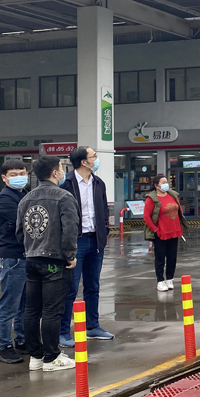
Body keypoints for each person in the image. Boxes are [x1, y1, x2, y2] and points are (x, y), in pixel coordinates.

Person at [16, 156, 79, 372]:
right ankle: (52, 357)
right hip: (55, 261)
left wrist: (31, 248)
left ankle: (36, 356)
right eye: (61, 169)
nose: (62, 172)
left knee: (32, 309)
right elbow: (70, 229)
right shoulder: (64, 197)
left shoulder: (26, 199)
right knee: (53, 310)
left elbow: (19, 232)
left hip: (31, 259)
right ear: (55, 172)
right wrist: (69, 255)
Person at [59, 146, 114, 347]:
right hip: (76, 241)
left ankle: (92, 326)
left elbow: (103, 209)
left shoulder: (98, 183)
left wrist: (105, 230)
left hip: (95, 240)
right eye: (94, 157)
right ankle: (63, 331)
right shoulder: (66, 183)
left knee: (93, 286)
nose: (96, 159)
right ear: (84, 161)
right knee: (70, 288)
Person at [0, 159, 29, 364]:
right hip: (12, 258)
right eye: (14, 175)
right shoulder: (5, 199)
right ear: (4, 177)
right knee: (10, 304)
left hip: (25, 256)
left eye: (22, 173)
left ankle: (22, 341)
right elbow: (24, 223)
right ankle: (4, 346)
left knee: (24, 303)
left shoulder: (23, 194)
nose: (19, 178)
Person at [143, 175, 188, 292]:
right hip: (161, 232)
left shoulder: (172, 195)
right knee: (160, 258)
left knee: (172, 257)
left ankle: (170, 279)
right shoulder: (151, 198)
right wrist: (154, 229)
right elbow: (146, 216)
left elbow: (179, 210)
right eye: (163, 182)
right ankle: (160, 281)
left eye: (166, 182)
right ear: (156, 185)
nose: (166, 184)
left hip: (174, 231)